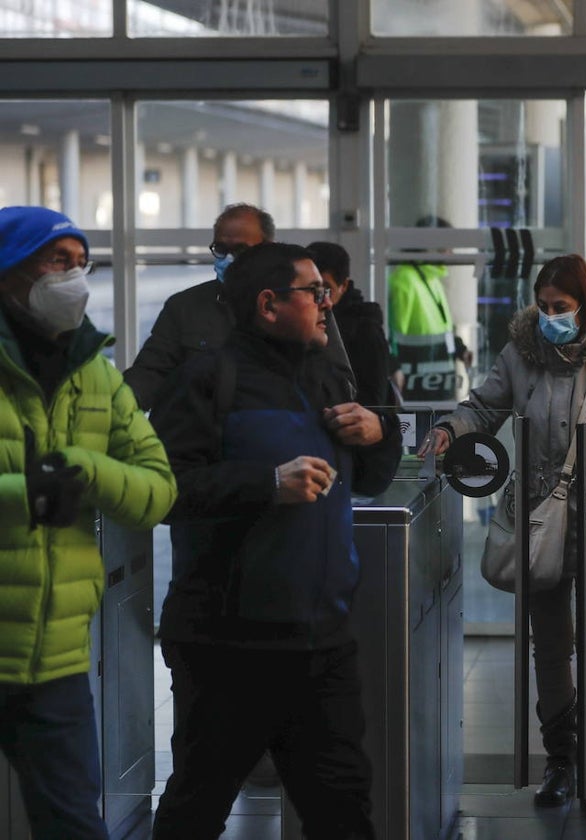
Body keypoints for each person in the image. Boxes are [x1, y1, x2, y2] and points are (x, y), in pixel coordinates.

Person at [149, 242, 403, 839]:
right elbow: (163, 490)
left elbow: (372, 477)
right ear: (269, 304)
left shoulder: (330, 374)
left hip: (323, 644)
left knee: (343, 811)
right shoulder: (208, 380)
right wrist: (265, 483)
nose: (326, 302)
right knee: (196, 807)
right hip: (226, 648)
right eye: (313, 292)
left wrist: (378, 432)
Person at [419, 254, 586, 815]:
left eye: (563, 307)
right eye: (545, 306)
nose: (551, 316)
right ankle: (559, 761)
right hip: (536, 525)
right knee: (550, 648)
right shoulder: (520, 356)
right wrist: (449, 428)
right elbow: (482, 408)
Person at [0, 205, 178, 838]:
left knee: (74, 824)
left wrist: (82, 469)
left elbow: (158, 489)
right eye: (58, 262)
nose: (74, 278)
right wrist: (28, 492)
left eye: (82, 264)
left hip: (56, 660)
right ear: (10, 272)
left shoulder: (96, 374)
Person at [125, 202, 356, 412]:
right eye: (221, 249)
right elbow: (149, 375)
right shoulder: (185, 308)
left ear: (268, 249)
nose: (228, 259)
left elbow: (342, 386)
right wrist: (116, 404)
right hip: (205, 436)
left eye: (241, 250)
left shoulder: (301, 305)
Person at [387, 215, 472, 402]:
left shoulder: (431, 279)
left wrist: (460, 350)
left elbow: (442, 332)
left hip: (435, 387)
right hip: (415, 391)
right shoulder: (404, 281)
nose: (451, 252)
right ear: (430, 245)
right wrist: (393, 368)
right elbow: (391, 335)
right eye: (447, 246)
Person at [308, 240, 394, 408]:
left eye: (326, 289)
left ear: (344, 285)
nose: (321, 300)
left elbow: (375, 403)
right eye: (312, 289)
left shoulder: (365, 330)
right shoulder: (300, 323)